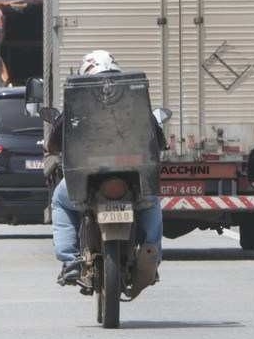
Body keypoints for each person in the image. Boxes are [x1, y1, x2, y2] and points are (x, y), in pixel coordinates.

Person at [45, 50, 164, 289]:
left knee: (60, 201)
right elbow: (158, 140)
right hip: (132, 180)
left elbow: (54, 143)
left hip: (87, 181)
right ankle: (150, 253)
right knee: (151, 202)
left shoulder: (77, 103)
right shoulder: (135, 102)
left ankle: (70, 261)